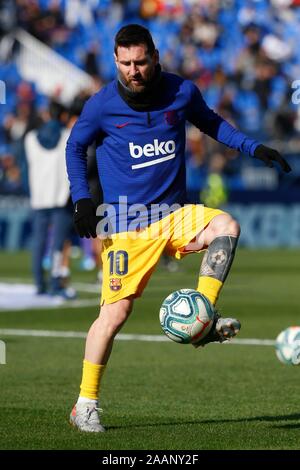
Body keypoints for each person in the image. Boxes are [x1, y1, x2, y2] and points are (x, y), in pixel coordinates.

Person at [66, 24, 291, 433]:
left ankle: (202, 315)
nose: (133, 70)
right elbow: (75, 145)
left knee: (227, 225)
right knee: (114, 315)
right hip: (126, 223)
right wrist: (82, 199)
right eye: (125, 64)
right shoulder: (101, 106)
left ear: (155, 56)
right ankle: (85, 403)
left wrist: (254, 147)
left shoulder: (181, 92)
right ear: (116, 62)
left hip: (173, 214)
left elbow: (212, 123)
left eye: (140, 62)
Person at [25, 100, 75, 298]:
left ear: (47, 115)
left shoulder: (30, 138)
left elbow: (25, 166)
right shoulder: (66, 136)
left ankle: (39, 283)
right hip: (60, 197)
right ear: (63, 116)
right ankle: (55, 283)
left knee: (38, 241)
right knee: (57, 244)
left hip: (39, 197)